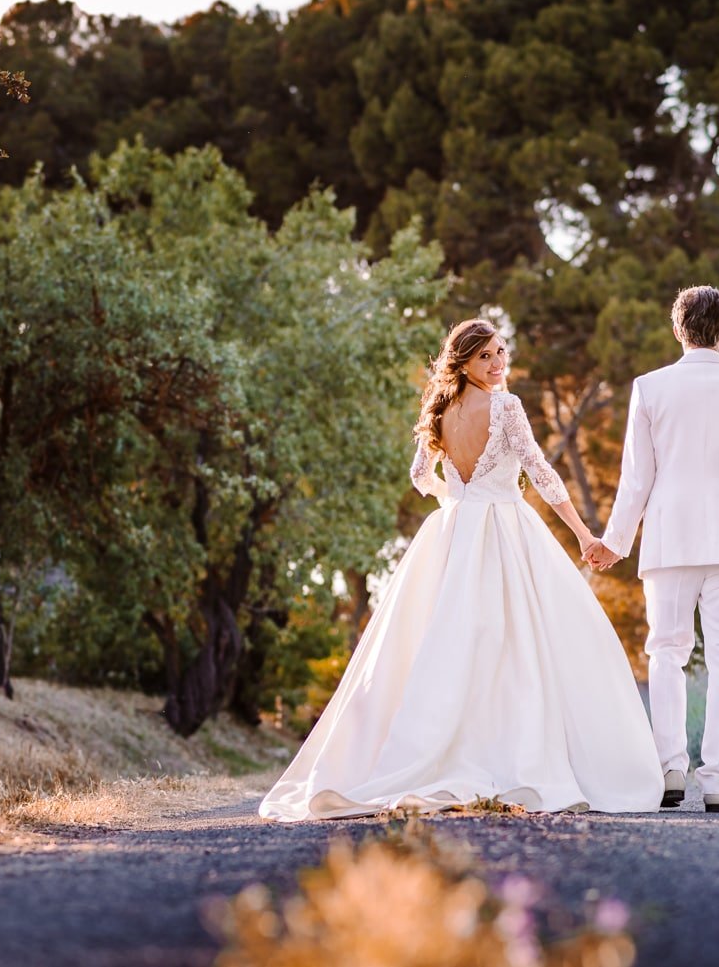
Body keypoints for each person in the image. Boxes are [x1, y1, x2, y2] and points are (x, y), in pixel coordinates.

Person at [259, 319, 662, 821]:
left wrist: (457, 499)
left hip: (453, 532)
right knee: (513, 643)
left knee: (448, 643)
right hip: (506, 529)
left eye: (500, 352)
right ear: (464, 363)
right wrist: (584, 536)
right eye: (486, 357)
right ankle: (509, 758)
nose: (498, 364)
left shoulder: (440, 409)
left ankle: (446, 753)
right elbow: (540, 472)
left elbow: (418, 476)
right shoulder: (506, 407)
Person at [587, 286, 719, 813]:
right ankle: (717, 780)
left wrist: (615, 542)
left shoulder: (650, 388)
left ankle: (671, 768)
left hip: (669, 540)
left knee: (666, 653)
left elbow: (636, 479)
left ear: (679, 330)